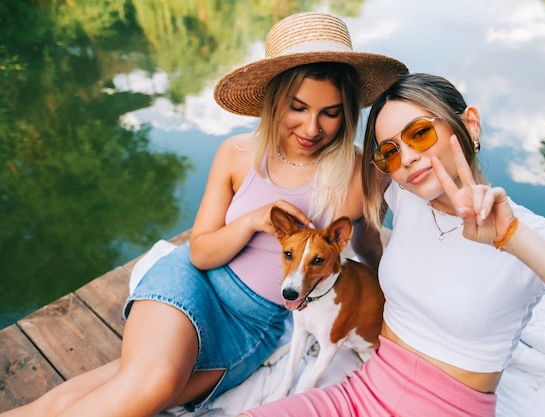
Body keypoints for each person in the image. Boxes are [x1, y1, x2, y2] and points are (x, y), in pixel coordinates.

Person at [0, 12, 408, 417]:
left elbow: (370, 247)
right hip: (194, 283)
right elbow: (200, 253)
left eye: (331, 112)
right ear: (274, 100)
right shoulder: (236, 155)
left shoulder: (361, 175)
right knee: (152, 382)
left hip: (255, 325)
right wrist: (251, 220)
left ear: (349, 111)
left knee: (134, 383)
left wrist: (403, 311)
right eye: (297, 107)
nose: (312, 127)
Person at [239, 73, 545, 417]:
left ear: (470, 124)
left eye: (419, 133)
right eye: (389, 151)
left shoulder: (534, 233)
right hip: (361, 390)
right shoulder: (406, 197)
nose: (406, 157)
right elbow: (342, 185)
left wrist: (514, 239)